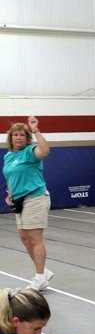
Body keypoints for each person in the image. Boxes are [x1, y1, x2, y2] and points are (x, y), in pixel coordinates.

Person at [2, 116, 54, 290]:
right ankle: (43, 272)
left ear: (26, 137)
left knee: (35, 238)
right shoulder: (9, 156)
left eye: (21, 135)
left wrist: (36, 130)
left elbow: (45, 151)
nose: (18, 137)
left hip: (35, 198)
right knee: (24, 238)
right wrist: (11, 193)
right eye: (15, 135)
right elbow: (10, 176)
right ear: (11, 138)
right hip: (20, 201)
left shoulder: (31, 151)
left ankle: (39, 277)